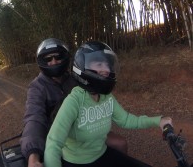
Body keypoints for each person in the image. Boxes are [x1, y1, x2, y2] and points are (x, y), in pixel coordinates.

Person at [44, 41, 173, 167]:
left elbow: (126, 120)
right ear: (82, 67)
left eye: (107, 65)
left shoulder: (106, 97)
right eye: (99, 64)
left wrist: (159, 121)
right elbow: (53, 143)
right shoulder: (74, 101)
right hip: (77, 162)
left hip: (102, 154)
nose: (106, 70)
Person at [20, 38, 127, 167]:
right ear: (42, 62)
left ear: (65, 57)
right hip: (57, 134)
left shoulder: (76, 78)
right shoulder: (37, 87)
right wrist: (33, 158)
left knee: (120, 143)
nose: (54, 62)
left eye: (58, 57)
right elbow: (34, 118)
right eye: (48, 59)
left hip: (83, 128)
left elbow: (98, 99)